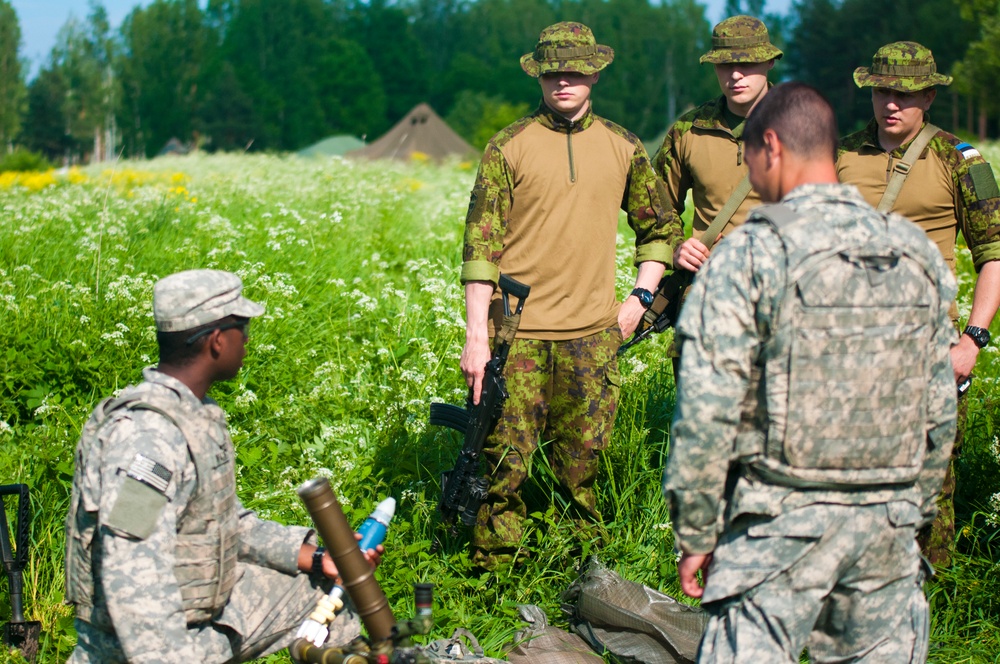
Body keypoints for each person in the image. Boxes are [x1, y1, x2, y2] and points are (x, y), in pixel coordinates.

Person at [664, 82, 957, 662]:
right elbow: (938, 406)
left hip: (777, 528)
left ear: (770, 146)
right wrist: (910, 512)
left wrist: (697, 533)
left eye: (748, 159)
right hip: (888, 533)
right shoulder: (914, 252)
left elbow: (706, 411)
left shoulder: (750, 253)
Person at [65, 269, 380, 662]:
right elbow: (131, 574)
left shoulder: (195, 414)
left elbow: (227, 523)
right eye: (242, 327)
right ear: (216, 341)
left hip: (199, 616)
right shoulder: (147, 440)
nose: (247, 340)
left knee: (323, 597)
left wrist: (317, 558)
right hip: (139, 647)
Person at [460, 21, 677, 570]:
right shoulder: (508, 146)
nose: (564, 81)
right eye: (553, 71)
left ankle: (584, 578)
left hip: (593, 338)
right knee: (499, 468)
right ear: (538, 74)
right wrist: (476, 337)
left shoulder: (624, 147)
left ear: (595, 73)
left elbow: (660, 229)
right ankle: (493, 582)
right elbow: (480, 247)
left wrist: (640, 298)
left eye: (575, 71)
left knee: (583, 471)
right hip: (517, 339)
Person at [837, 41, 1000, 565]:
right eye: (883, 91)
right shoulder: (840, 155)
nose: (892, 103)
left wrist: (972, 340)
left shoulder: (961, 159)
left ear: (928, 97)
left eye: (906, 94)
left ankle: (930, 601)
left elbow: (993, 254)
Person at [651, 15, 782, 377]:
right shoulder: (689, 131)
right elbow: (653, 207)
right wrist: (677, 246)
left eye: (746, 64)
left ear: (770, 62)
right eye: (725, 65)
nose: (735, 75)